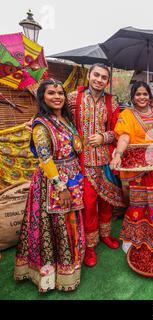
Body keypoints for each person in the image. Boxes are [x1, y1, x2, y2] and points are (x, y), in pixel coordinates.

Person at [14, 79, 85, 292]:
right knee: (56, 226)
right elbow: (45, 159)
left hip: (72, 177)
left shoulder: (66, 120)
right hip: (52, 184)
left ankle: (71, 265)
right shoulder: (41, 124)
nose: (57, 97)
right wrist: (60, 186)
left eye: (60, 93)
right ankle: (54, 274)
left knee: (70, 222)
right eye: (51, 93)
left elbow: (76, 146)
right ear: (42, 97)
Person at [68, 63, 125, 267]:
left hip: (105, 160)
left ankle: (106, 235)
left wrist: (103, 137)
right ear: (89, 75)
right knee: (88, 203)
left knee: (107, 200)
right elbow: (59, 118)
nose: (99, 80)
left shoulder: (112, 102)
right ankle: (90, 245)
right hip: (82, 161)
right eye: (96, 75)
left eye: (103, 77)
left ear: (108, 81)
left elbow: (118, 129)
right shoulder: (74, 98)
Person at [110, 82, 153, 253]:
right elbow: (125, 136)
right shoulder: (127, 114)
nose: (142, 97)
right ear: (133, 97)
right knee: (138, 202)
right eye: (138, 94)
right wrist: (118, 153)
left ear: (150, 96)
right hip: (138, 167)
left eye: (145, 94)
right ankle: (133, 237)